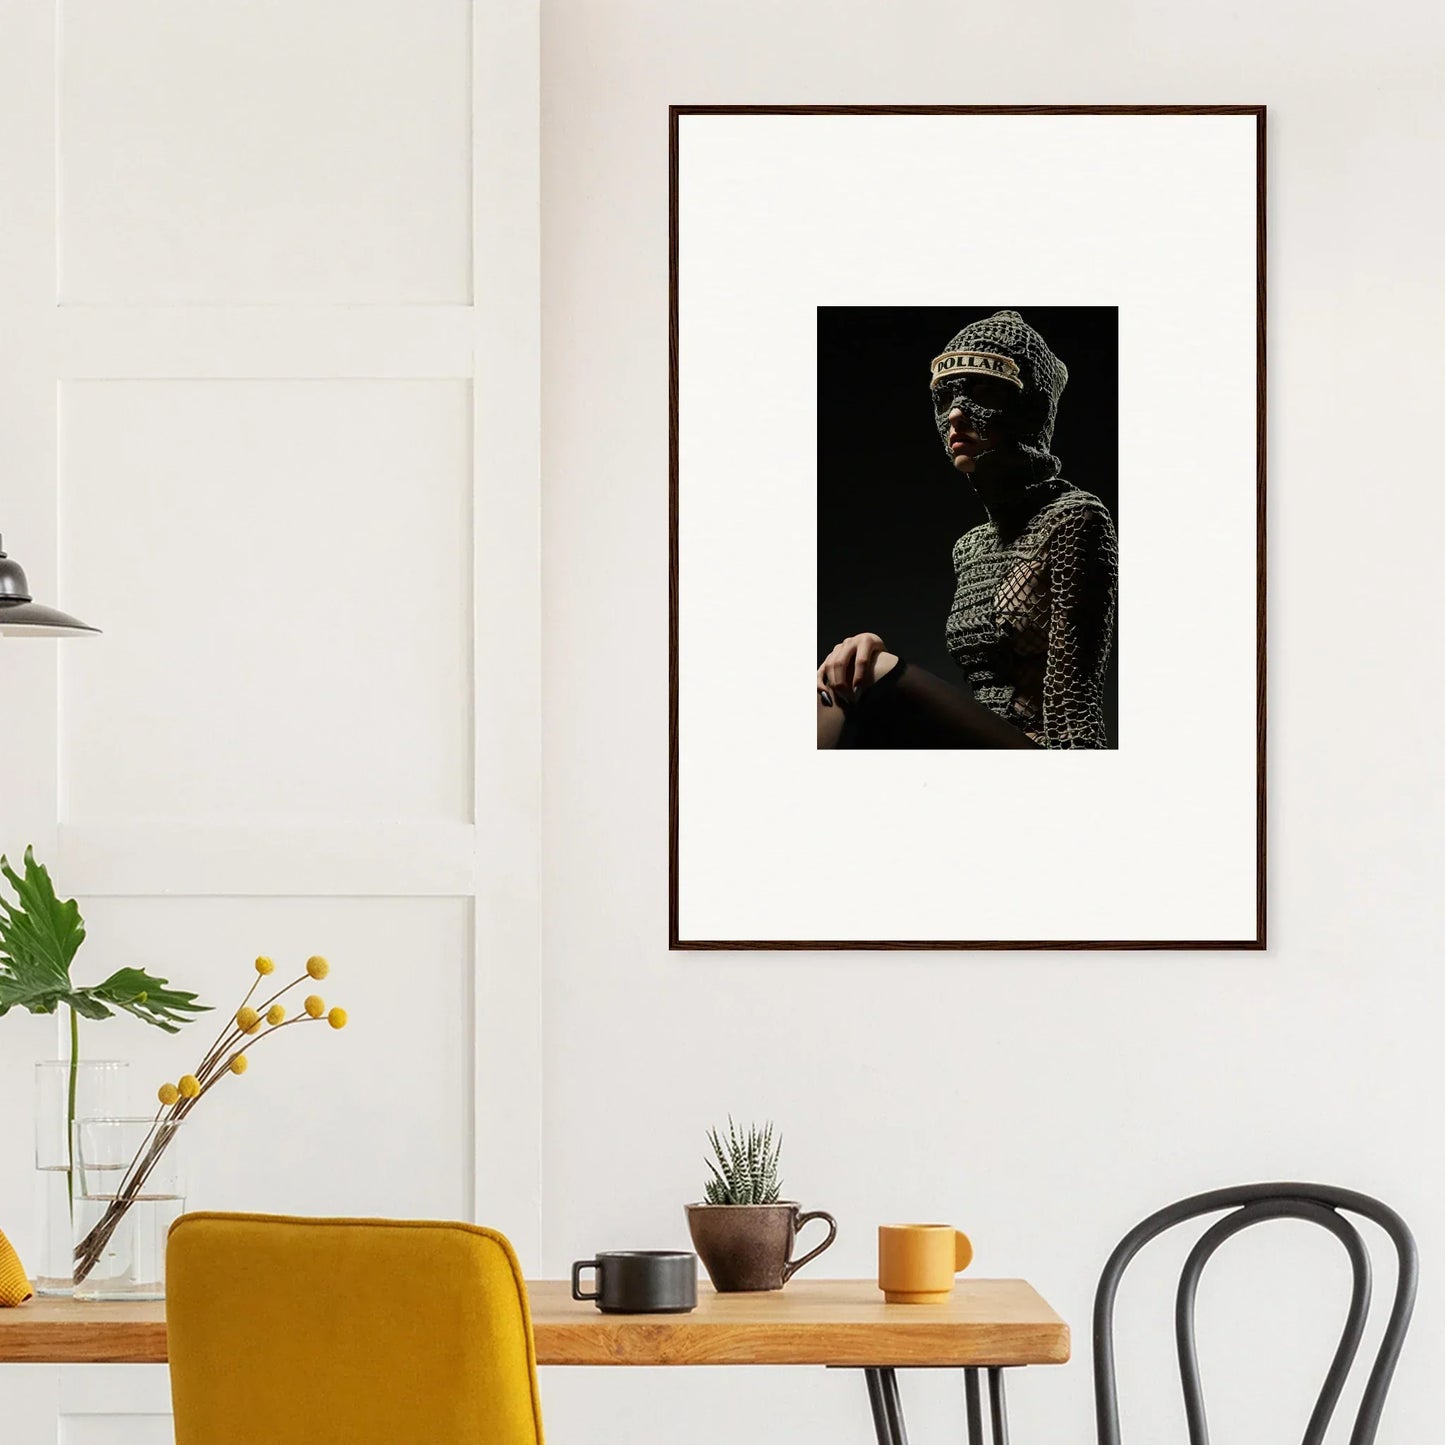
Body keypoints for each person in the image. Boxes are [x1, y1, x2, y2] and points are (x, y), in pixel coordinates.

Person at [816, 310, 1118, 750]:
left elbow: (1076, 699)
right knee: (844, 673)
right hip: (978, 751)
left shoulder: (1075, 520)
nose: (956, 413)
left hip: (1049, 753)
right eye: (944, 398)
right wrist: (870, 648)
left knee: (873, 676)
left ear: (1030, 408)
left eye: (983, 390)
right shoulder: (971, 547)